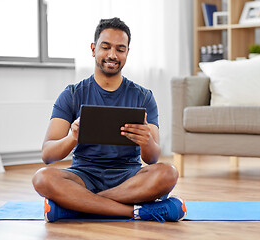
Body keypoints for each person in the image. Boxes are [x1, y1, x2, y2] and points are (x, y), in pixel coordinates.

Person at [32, 17, 186, 222]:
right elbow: (48, 155)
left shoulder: (143, 96)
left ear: (127, 53)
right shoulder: (72, 94)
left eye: (120, 49)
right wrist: (72, 137)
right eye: (106, 47)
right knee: (42, 178)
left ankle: (77, 206)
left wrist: (146, 140)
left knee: (168, 173)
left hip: (128, 178)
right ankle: (139, 211)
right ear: (93, 48)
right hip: (83, 176)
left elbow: (152, 159)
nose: (112, 55)